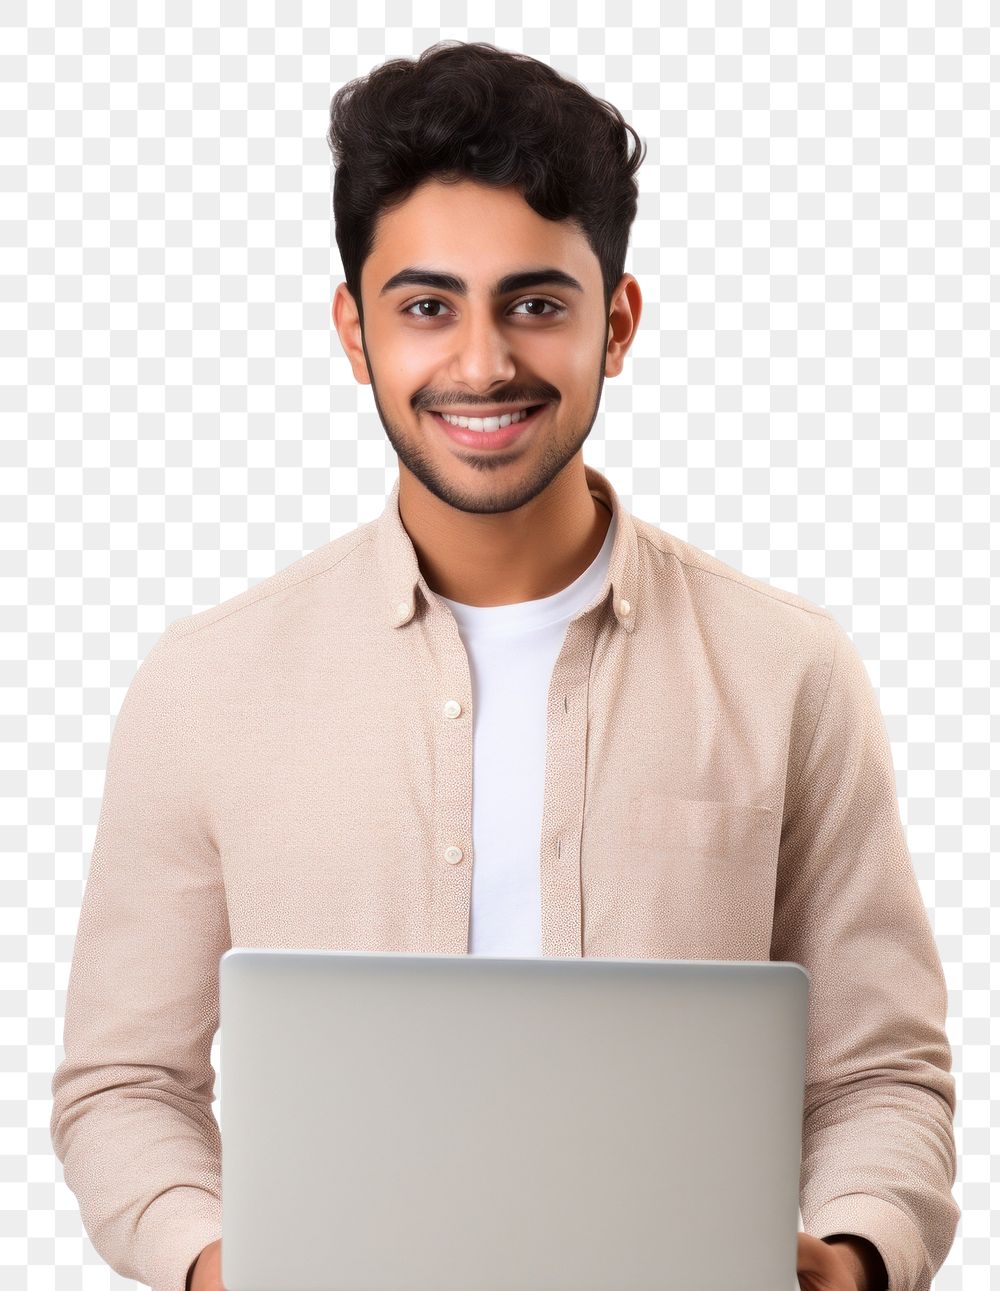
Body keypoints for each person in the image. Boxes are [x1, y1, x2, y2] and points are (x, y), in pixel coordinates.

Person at [50, 40, 958, 1291]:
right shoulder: (205, 685)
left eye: (535, 302)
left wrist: (851, 1259)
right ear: (355, 331)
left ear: (617, 322)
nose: (481, 364)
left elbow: (881, 1077)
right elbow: (123, 1084)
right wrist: (218, 1267)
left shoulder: (786, 670)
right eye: (427, 306)